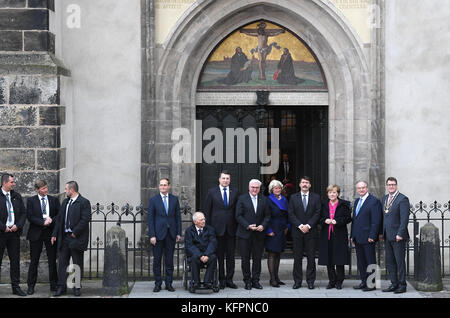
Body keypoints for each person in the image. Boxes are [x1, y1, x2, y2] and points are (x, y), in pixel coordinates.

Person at [51, 181, 91, 297]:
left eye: (66, 189)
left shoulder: (84, 202)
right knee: (62, 263)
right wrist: (54, 234)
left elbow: (85, 219)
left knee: (77, 264)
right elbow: (59, 219)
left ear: (71, 190)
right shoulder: (65, 202)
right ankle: (61, 287)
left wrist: (75, 232)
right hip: (64, 238)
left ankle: (76, 287)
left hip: (76, 238)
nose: (65, 191)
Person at [204, 170, 239, 289]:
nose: (225, 180)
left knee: (230, 257)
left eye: (227, 178)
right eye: (223, 178)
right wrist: (208, 230)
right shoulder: (211, 192)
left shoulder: (235, 192)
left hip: (231, 230)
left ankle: (230, 280)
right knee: (219, 256)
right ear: (219, 179)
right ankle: (221, 280)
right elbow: (207, 212)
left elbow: (237, 211)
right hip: (216, 230)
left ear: (230, 180)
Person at [26, 180, 60, 295]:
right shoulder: (31, 200)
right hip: (36, 234)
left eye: (46, 187)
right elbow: (30, 216)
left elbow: (59, 215)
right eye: (43, 188)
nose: (46, 190)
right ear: (37, 190)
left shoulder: (54, 200)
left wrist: (51, 220)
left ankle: (54, 284)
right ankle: (30, 285)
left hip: (50, 234)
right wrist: (42, 222)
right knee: (34, 261)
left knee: (52, 260)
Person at [235, 179, 271, 290]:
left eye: (257, 187)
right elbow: (238, 215)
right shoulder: (242, 199)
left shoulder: (264, 199)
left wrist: (263, 226)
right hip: (245, 234)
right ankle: (247, 281)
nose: (254, 189)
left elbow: (267, 215)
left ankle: (256, 281)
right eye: (253, 187)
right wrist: (248, 225)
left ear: (260, 189)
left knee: (257, 259)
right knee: (245, 259)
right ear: (249, 187)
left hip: (259, 234)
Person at [148, 178, 182, 292]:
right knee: (157, 260)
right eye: (161, 185)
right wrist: (152, 235)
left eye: (165, 185)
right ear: (159, 186)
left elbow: (178, 217)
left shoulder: (174, 199)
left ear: (169, 186)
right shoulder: (153, 200)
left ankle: (169, 283)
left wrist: (178, 233)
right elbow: (150, 219)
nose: (163, 187)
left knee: (169, 261)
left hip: (171, 234)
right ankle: (158, 283)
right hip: (157, 235)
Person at [288, 176, 321, 289]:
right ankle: (297, 281)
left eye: (307, 182)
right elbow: (291, 213)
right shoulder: (293, 197)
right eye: (303, 182)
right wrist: (300, 225)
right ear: (299, 184)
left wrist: (308, 225)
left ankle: (310, 281)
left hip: (311, 232)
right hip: (297, 232)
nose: (305, 184)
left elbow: (318, 213)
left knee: (311, 258)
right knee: (297, 258)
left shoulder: (316, 197)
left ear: (310, 185)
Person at [350, 180, 382, 292]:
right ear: (357, 189)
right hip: (358, 237)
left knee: (370, 261)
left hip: (369, 237)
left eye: (363, 187)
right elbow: (355, 220)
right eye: (359, 188)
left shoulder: (374, 201)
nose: (361, 190)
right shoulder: (357, 201)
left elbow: (376, 221)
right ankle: (364, 281)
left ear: (367, 188)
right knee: (361, 261)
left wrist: (373, 235)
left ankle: (372, 284)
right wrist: (352, 235)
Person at [318, 185, 352, 290]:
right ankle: (331, 281)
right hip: (326, 235)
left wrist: (338, 221)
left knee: (339, 259)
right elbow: (319, 217)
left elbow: (348, 218)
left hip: (340, 235)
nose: (332, 194)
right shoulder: (323, 204)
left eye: (334, 192)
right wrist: (325, 220)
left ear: (338, 193)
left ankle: (339, 281)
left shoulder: (344, 204)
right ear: (327, 194)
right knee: (329, 259)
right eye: (330, 192)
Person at [381, 177, 410, 294]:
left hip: (398, 236)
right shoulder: (385, 198)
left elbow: (404, 219)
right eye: (389, 185)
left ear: (396, 185)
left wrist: (400, 233)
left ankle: (402, 285)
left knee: (399, 262)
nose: (391, 186)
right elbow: (384, 217)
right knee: (390, 261)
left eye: (393, 184)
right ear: (387, 186)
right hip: (387, 236)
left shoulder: (403, 199)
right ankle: (394, 283)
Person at [0, 173, 27, 296]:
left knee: (15, 261)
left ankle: (16, 287)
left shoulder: (16, 196)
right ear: (4, 183)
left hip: (14, 234)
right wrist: (3, 227)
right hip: (1, 233)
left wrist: (18, 225)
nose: (14, 184)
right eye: (11, 182)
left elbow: (23, 213)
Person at [185, 212, 217, 293]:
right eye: (201, 220)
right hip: (196, 255)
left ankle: (207, 281)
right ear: (195, 222)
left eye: (204, 219)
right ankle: (196, 282)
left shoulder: (210, 229)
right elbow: (190, 246)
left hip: (207, 254)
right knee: (194, 258)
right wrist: (200, 255)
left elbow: (213, 243)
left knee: (213, 257)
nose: (204, 221)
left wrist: (206, 254)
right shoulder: (189, 231)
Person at [265, 180, 289, 287]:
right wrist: (268, 230)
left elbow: (288, 214)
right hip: (272, 229)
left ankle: (277, 277)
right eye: (275, 188)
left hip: (282, 229)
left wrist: (288, 226)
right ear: (271, 190)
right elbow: (266, 216)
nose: (277, 190)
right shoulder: (268, 200)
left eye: (279, 188)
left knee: (278, 253)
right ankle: (272, 279)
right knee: (272, 253)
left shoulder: (284, 199)